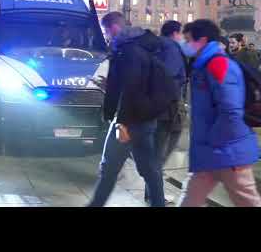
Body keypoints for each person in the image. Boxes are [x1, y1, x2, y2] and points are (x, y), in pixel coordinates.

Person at [88, 12, 167, 207]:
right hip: (142, 119)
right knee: (148, 169)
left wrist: (122, 122)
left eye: (106, 30)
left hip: (129, 121)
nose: (106, 35)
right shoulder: (137, 47)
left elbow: (132, 88)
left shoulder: (128, 50)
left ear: (114, 28)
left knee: (110, 167)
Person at [178, 19, 261, 207]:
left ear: (203, 40)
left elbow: (231, 111)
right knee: (190, 200)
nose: (185, 44)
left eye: (188, 39)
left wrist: (214, 140)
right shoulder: (203, 65)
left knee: (247, 200)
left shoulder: (218, 65)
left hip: (227, 152)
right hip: (211, 152)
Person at [143, 20, 187, 204]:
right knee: (160, 154)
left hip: (153, 107)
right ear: (176, 33)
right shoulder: (171, 48)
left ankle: (151, 193)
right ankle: (156, 197)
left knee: (155, 153)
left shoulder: (154, 47)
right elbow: (168, 76)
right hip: (168, 108)